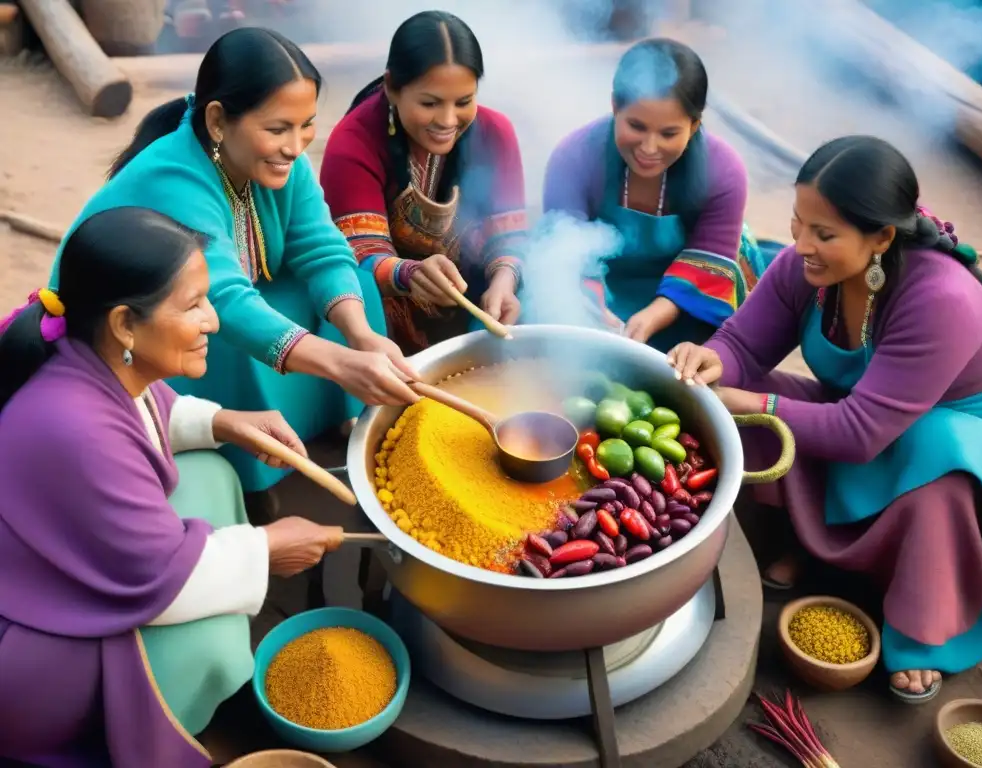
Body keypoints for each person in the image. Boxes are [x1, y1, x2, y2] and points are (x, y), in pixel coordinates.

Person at [667, 135, 982, 704]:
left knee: (935, 446)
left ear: (881, 236)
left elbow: (860, 434)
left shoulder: (940, 301)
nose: (801, 244)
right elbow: (744, 346)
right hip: (875, 421)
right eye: (797, 223)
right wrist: (711, 360)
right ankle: (813, 541)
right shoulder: (803, 266)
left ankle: (924, 630)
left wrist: (754, 405)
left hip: (981, 451)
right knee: (735, 393)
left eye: (823, 234)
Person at [0, 208, 345, 767]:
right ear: (124, 325)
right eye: (193, 306)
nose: (213, 321)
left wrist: (223, 421)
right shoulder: (72, 425)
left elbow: (140, 415)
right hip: (33, 652)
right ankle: (172, 710)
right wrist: (271, 548)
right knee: (207, 643)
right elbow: (160, 580)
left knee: (212, 472)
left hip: (67, 567)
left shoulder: (88, 355)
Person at [47, 27, 418, 515]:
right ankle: (254, 473)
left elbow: (322, 247)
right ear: (219, 121)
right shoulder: (174, 177)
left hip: (211, 295)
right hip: (129, 330)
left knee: (354, 291)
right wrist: (340, 362)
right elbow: (224, 296)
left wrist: (360, 335)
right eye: (278, 128)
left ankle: (328, 424)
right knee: (224, 335)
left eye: (306, 125)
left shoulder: (281, 159)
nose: (295, 145)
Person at [541, 38, 775, 351]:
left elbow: (709, 259)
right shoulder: (574, 156)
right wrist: (593, 311)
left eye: (669, 133)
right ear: (615, 106)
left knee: (712, 352)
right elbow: (566, 255)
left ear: (694, 125)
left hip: (694, 292)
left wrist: (653, 315)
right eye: (636, 126)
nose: (649, 148)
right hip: (602, 284)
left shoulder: (724, 170)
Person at [320, 10, 527, 355]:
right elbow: (360, 253)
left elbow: (509, 235)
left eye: (464, 101)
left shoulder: (496, 132)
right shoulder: (353, 142)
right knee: (356, 291)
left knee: (537, 286)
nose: (447, 120)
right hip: (389, 309)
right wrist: (409, 274)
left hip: (477, 295)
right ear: (391, 88)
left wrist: (503, 281)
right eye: (429, 103)